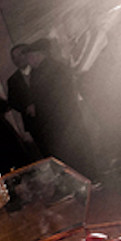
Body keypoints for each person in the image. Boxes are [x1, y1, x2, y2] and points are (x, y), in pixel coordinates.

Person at [25, 40, 98, 179]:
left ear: (38, 55)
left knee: (73, 151)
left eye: (30, 57)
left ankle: (87, 179)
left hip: (60, 119)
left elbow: (51, 96)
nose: (28, 61)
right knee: (75, 150)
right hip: (63, 118)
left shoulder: (48, 70)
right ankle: (88, 178)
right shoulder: (47, 69)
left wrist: (38, 106)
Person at [6, 43, 43, 156]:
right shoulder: (13, 80)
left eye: (20, 55)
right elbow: (13, 101)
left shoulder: (40, 70)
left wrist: (37, 104)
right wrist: (26, 106)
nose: (17, 59)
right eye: (14, 57)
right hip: (34, 122)